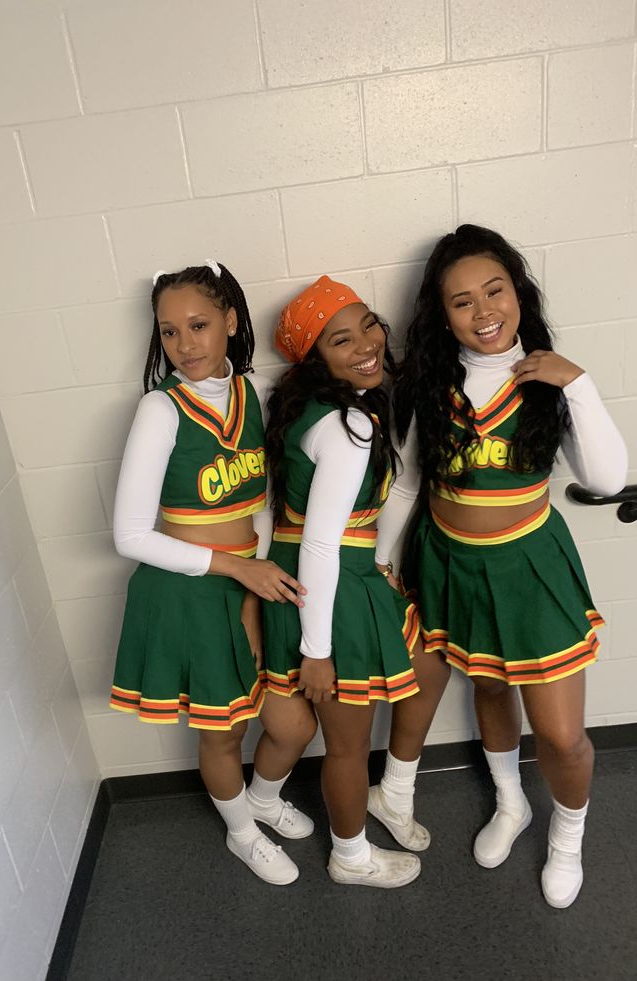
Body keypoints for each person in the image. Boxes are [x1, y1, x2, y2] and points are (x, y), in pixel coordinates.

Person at [381, 224, 627, 907]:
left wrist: (579, 383)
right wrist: (381, 560)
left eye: (495, 290)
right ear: (441, 313)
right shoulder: (430, 385)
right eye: (462, 301)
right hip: (448, 562)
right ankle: (512, 802)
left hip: (529, 565)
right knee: (489, 688)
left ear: (518, 291)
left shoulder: (550, 380)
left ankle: (567, 838)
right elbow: (407, 486)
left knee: (561, 732)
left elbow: (608, 477)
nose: (483, 310)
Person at [109, 261, 316, 886]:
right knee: (223, 732)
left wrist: (257, 584)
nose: (185, 344)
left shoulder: (255, 394)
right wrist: (236, 570)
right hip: (188, 592)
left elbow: (265, 502)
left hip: (247, 582)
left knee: (291, 722)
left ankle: (259, 802)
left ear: (230, 319)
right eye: (169, 332)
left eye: (198, 324)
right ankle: (242, 832)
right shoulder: (160, 410)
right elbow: (129, 536)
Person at [263, 275, 423, 889]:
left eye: (367, 325)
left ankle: (256, 808)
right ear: (316, 358)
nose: (365, 344)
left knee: (327, 735)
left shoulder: (305, 405)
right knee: (349, 746)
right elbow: (323, 543)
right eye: (340, 339)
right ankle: (350, 856)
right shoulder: (347, 425)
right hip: (329, 594)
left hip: (302, 582)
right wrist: (319, 651)